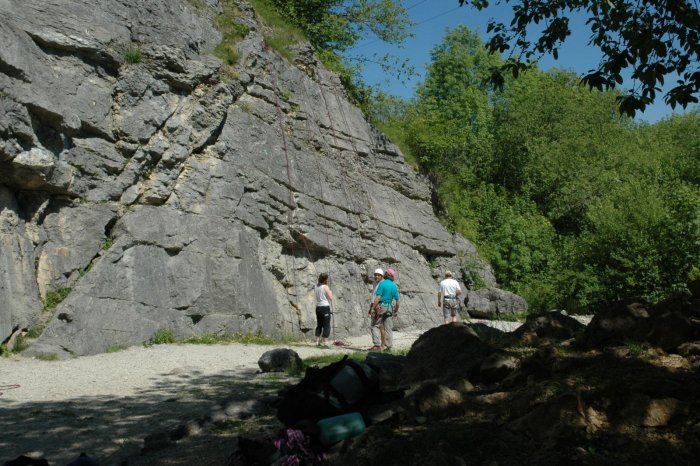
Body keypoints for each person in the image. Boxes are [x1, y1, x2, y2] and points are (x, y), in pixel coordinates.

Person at [370, 268, 400, 351]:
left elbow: (378, 297)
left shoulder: (382, 284)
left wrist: (372, 308)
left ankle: (377, 345)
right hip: (390, 307)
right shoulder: (394, 286)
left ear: (386, 275)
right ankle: (389, 347)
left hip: (381, 307)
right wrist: (396, 311)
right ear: (391, 276)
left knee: (374, 325)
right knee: (388, 328)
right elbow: (398, 301)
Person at [368, 268, 386, 350]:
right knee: (379, 325)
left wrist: (374, 307)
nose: (377, 276)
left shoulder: (382, 283)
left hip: (378, 305)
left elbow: (379, 296)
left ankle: (380, 345)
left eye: (379, 275)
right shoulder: (375, 283)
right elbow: (374, 295)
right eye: (375, 275)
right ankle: (381, 344)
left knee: (379, 325)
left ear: (382, 276)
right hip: (374, 304)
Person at [314, 273, 333, 346]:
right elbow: (330, 297)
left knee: (319, 325)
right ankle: (325, 342)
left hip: (318, 307)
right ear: (325, 279)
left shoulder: (316, 286)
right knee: (326, 325)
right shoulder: (325, 287)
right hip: (325, 307)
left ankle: (317, 342)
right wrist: (330, 291)